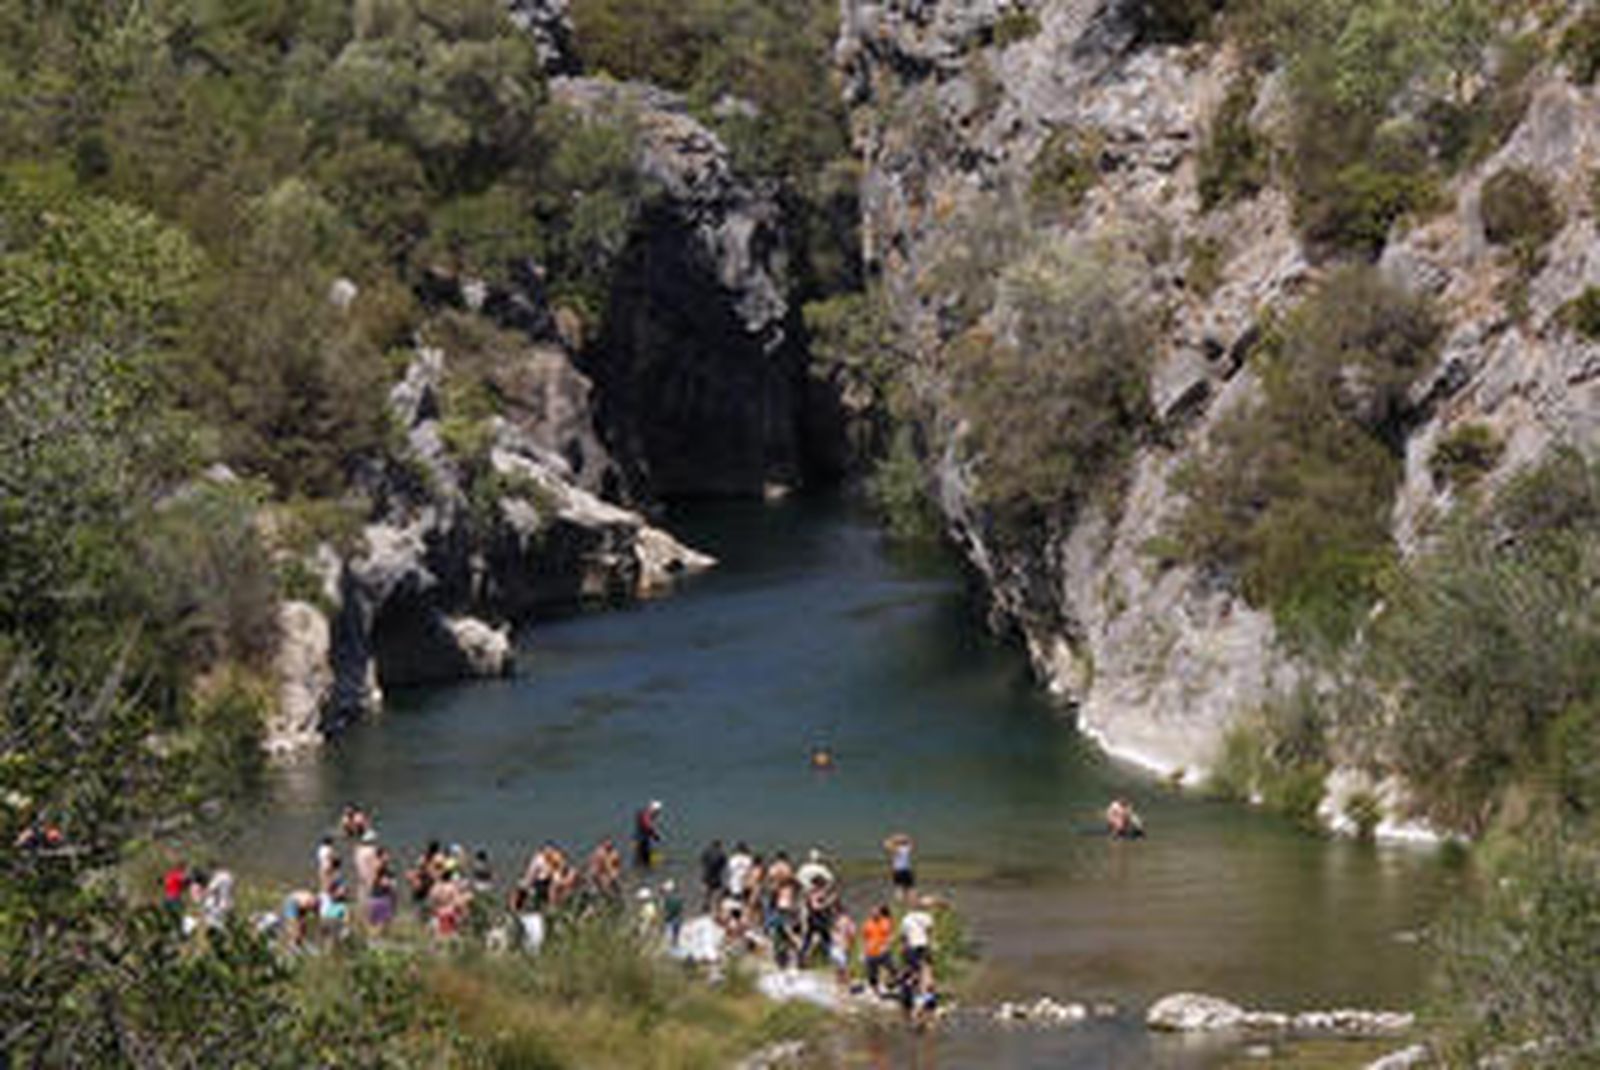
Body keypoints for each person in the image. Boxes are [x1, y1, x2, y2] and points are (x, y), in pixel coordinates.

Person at [861, 904, 895, 994]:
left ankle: (889, 983)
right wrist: (863, 953)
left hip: (883, 951)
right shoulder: (867, 924)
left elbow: (891, 935)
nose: (874, 914)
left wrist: (887, 945)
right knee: (872, 975)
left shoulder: (886, 922)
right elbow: (865, 939)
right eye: (873, 912)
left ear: (879, 913)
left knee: (891, 968)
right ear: (870, 914)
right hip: (871, 952)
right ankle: (876, 992)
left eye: (876, 912)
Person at [830, 907, 857, 990]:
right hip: (839, 946)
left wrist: (847, 943)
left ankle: (843, 983)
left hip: (843, 946)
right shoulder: (844, 922)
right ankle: (846, 984)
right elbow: (834, 932)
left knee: (842, 965)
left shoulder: (848, 923)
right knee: (842, 965)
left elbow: (851, 935)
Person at [884, 833, 915, 901]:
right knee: (910, 888)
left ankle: (900, 903)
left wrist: (893, 838)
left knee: (899, 888)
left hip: (898, 871)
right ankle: (911, 902)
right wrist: (905, 838)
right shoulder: (906, 849)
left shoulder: (896, 849)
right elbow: (911, 843)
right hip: (907, 870)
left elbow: (886, 844)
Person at [633, 800, 663, 869]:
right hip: (641, 839)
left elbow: (647, 826)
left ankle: (642, 873)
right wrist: (655, 835)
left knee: (642, 857)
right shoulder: (646, 814)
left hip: (641, 838)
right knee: (642, 857)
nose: (657, 814)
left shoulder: (645, 814)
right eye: (657, 812)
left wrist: (653, 835)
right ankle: (641, 872)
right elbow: (647, 826)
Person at [699, 839, 727, 910]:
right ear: (719, 846)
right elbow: (723, 865)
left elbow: (702, 861)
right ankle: (714, 906)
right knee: (716, 892)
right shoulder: (721, 854)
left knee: (707, 891)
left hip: (707, 874)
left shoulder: (706, 852)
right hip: (716, 876)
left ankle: (705, 903)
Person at [661, 879, 685, 949]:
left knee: (669, 937)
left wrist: (663, 919)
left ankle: (671, 949)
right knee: (676, 936)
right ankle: (675, 946)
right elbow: (682, 909)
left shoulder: (668, 898)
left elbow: (667, 911)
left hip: (670, 920)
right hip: (678, 919)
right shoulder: (680, 898)